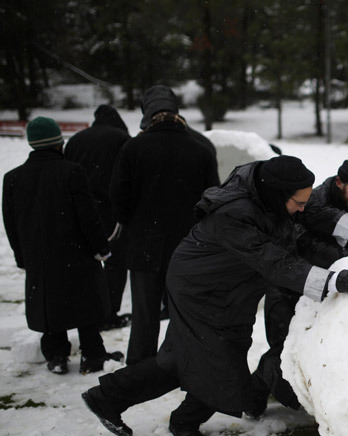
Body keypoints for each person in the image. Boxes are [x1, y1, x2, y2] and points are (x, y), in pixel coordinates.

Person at [82, 156, 348, 436]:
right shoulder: (234, 214)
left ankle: (108, 397)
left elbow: (314, 212)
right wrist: (341, 281)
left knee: (185, 357)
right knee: (222, 360)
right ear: (278, 194)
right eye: (297, 203)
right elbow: (275, 263)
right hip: (202, 287)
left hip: (230, 284)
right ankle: (184, 424)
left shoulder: (268, 192)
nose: (301, 210)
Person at [248, 148, 348, 416]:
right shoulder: (308, 200)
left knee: (319, 352)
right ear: (339, 182)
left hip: (334, 290)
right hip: (290, 289)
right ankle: (256, 388)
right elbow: (302, 243)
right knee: (287, 351)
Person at [2, 117, 123, 374]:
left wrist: (22, 256)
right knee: (85, 306)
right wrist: (101, 247)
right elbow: (87, 216)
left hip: (39, 257)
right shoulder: (72, 171)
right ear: (59, 142)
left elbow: (10, 223)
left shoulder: (12, 178)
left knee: (49, 308)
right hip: (75, 253)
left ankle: (56, 355)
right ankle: (92, 355)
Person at [110, 85, 218, 365]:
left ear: (148, 113)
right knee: (184, 312)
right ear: (176, 111)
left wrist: (135, 218)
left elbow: (118, 198)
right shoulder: (200, 149)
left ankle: (139, 369)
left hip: (144, 245)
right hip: (188, 247)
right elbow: (213, 199)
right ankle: (181, 363)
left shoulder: (133, 148)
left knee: (144, 315)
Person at [65, 104, 132, 330]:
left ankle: (87, 313)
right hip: (111, 210)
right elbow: (129, 176)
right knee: (115, 263)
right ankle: (109, 312)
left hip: (79, 209)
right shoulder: (122, 138)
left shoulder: (75, 140)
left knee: (86, 263)